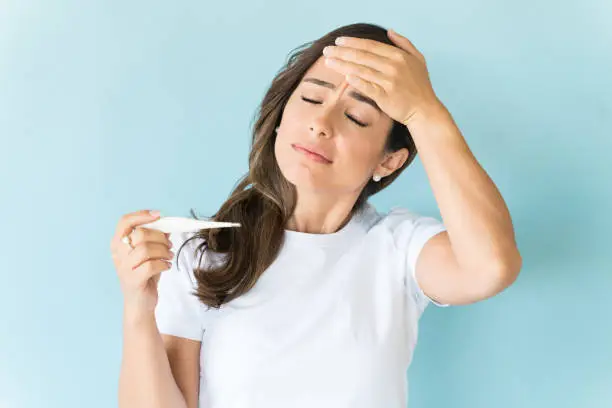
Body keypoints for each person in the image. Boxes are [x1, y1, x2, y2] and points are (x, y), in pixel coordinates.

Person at [110, 22, 522, 408]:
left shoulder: (399, 249)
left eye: (357, 117)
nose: (320, 124)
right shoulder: (199, 254)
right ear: (280, 118)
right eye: (310, 98)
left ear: (390, 162)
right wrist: (138, 307)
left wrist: (423, 111)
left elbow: (490, 267)